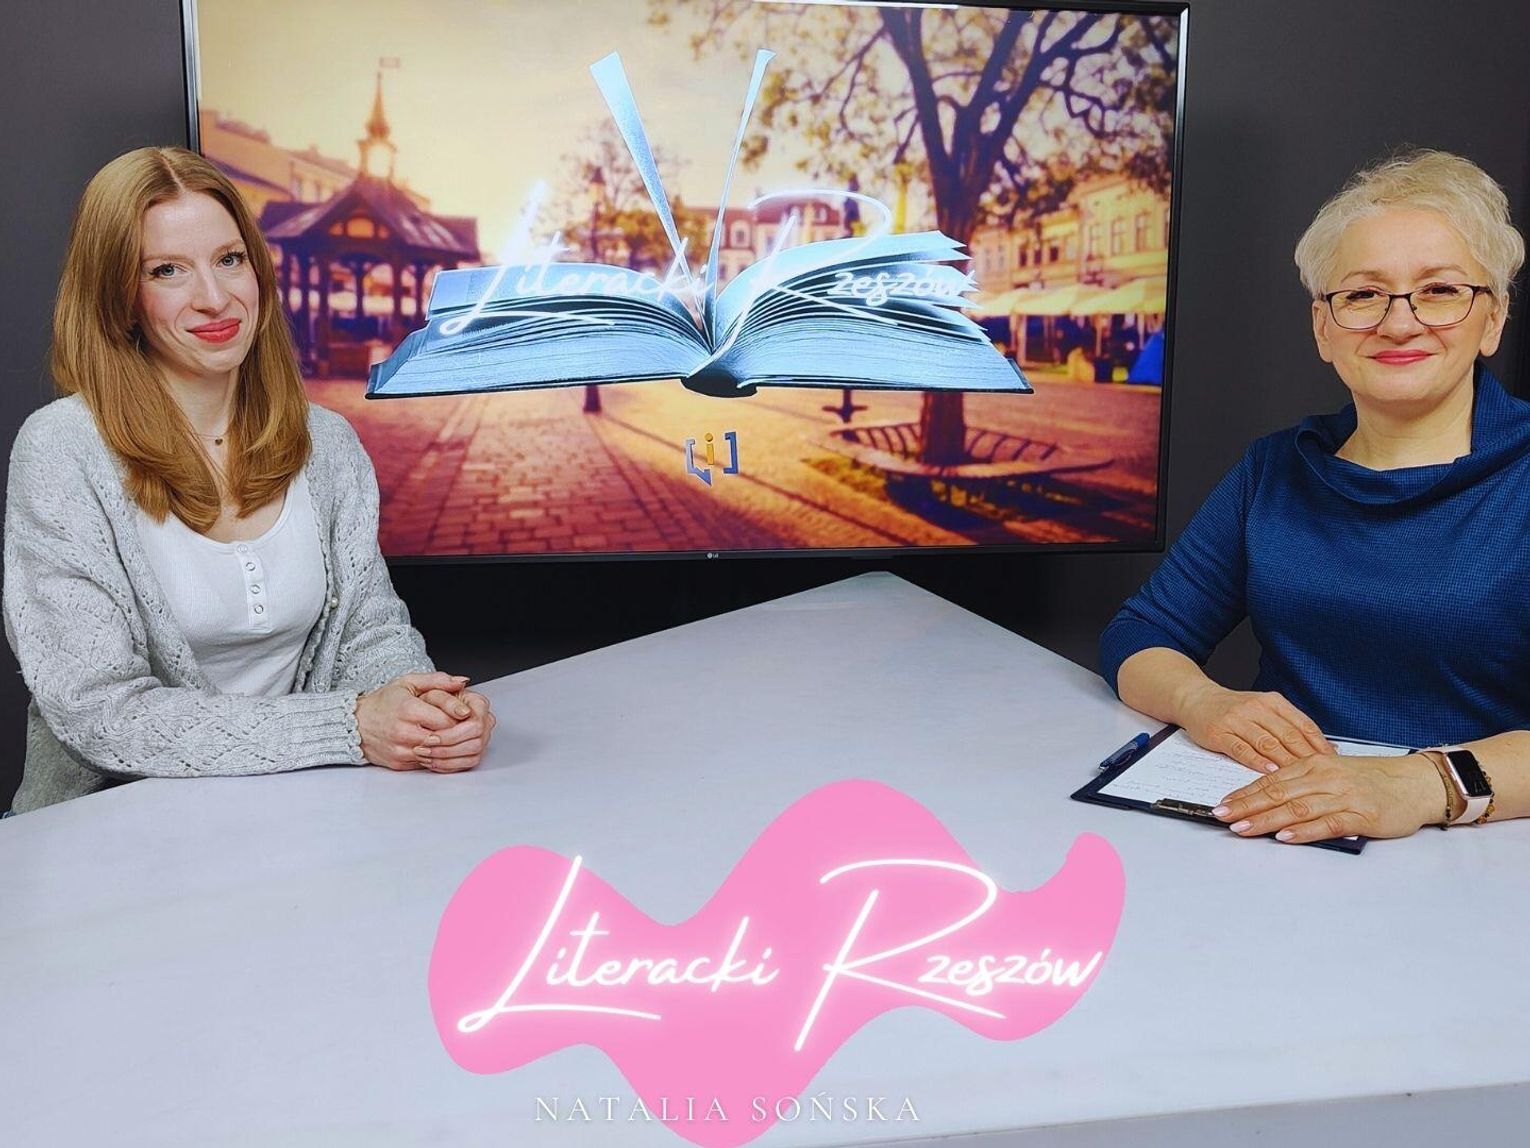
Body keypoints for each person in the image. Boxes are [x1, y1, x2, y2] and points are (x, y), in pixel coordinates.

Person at [3, 146, 496, 814]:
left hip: (306, 814)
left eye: (230, 259)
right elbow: (99, 712)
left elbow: (371, 632)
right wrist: (349, 726)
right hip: (109, 833)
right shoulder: (62, 451)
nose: (214, 298)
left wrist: (424, 708)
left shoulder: (328, 443)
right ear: (119, 298)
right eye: (167, 270)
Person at [1100, 149, 1527, 843]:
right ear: (1323, 328)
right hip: (1285, 833)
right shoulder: (1275, 468)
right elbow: (1140, 634)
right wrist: (1202, 701)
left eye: (1440, 290)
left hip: (1480, 849)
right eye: (1361, 295)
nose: (1399, 323)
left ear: (1494, 318)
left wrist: (1424, 784)